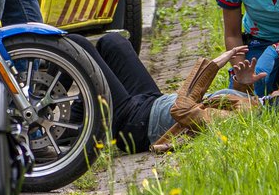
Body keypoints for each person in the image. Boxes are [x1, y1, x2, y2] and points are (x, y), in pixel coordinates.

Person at [67, 35, 251, 153]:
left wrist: (213, 66)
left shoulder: (249, 114)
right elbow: (222, 103)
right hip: (154, 102)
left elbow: (183, 110)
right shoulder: (254, 104)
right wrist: (241, 84)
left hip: (137, 126)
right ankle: (72, 127)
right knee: (113, 42)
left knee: (78, 46)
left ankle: (52, 119)